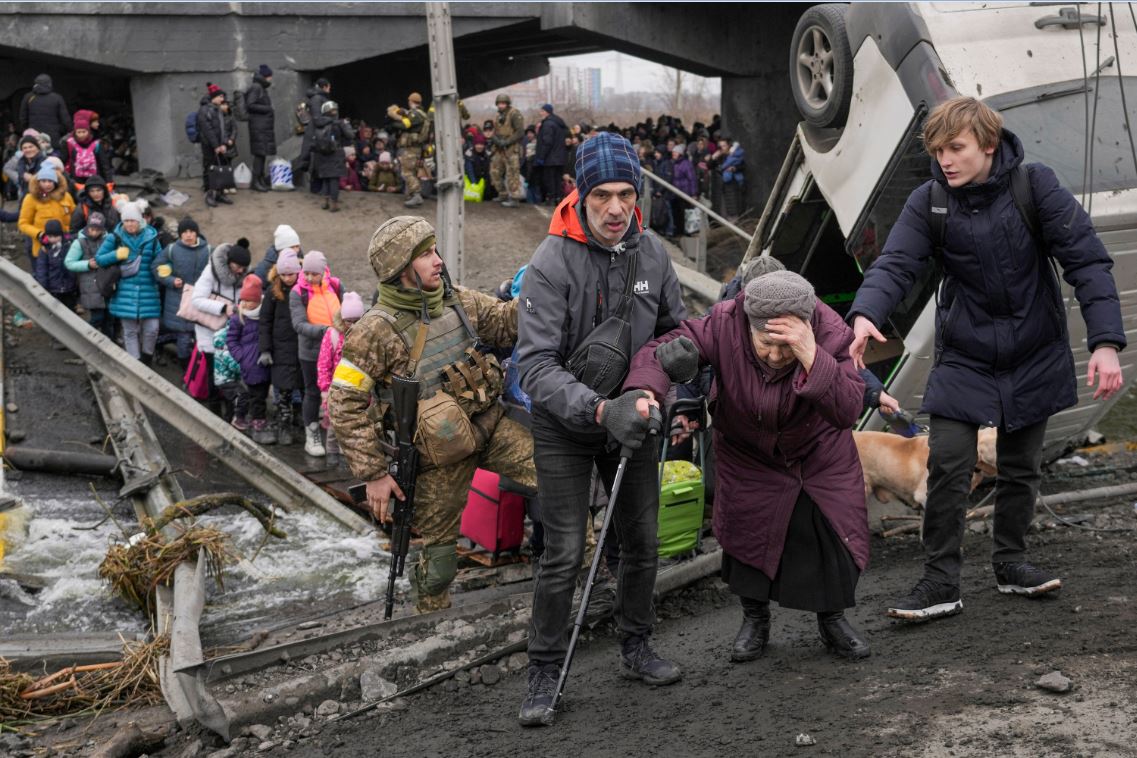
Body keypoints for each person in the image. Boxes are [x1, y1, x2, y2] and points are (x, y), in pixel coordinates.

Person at [846, 96, 1126, 623]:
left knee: (1019, 466)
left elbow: (1086, 260)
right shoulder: (929, 201)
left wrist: (1105, 342)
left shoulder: (1035, 186)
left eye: (956, 148)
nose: (945, 160)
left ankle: (1012, 562)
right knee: (948, 461)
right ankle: (939, 581)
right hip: (966, 355)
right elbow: (897, 262)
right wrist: (865, 314)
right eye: (937, 150)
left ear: (989, 145)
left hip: (1034, 349)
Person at [513, 132, 687, 727]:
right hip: (565, 425)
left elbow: (673, 330)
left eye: (626, 193)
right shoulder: (550, 262)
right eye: (602, 196)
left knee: (642, 544)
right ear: (580, 196)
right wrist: (597, 409)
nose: (616, 208)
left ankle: (636, 646)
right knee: (562, 553)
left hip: (634, 419)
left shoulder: (655, 254)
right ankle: (543, 670)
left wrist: (678, 371)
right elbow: (533, 368)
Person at [628, 270, 871, 665]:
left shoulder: (830, 331)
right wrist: (647, 387)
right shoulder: (725, 322)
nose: (775, 357)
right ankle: (755, 619)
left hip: (817, 453)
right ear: (748, 325)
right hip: (747, 451)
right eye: (766, 345)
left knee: (829, 537)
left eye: (786, 348)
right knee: (747, 536)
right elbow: (662, 348)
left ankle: (833, 620)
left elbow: (847, 410)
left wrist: (812, 355)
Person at [328, 216, 535, 613]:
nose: (437, 260)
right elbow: (344, 403)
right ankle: (430, 625)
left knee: (562, 480)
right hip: (437, 460)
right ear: (400, 268)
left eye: (435, 250)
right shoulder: (374, 331)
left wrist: (543, 288)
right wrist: (373, 474)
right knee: (439, 564)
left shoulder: (458, 300)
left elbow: (507, 324)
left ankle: (583, 584)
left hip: (490, 426)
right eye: (425, 254)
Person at [94, 203, 162, 363]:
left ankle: (147, 358)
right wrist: (116, 254)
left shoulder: (151, 238)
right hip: (124, 290)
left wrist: (165, 269)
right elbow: (99, 259)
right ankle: (135, 364)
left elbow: (160, 260)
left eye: (133, 220)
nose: (129, 224)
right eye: (126, 221)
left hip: (148, 290)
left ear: (140, 220)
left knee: (152, 329)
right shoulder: (115, 237)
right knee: (130, 331)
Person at [289, 250, 341, 456]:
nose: (309, 278)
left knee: (338, 392)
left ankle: (336, 435)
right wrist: (326, 331)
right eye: (306, 273)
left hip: (336, 351)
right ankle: (312, 435)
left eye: (314, 273)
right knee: (312, 392)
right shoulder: (298, 293)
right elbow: (299, 324)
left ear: (323, 271)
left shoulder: (336, 286)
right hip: (310, 352)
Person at [191, 240, 251, 399]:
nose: (240, 271)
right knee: (213, 372)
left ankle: (228, 409)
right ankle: (214, 409)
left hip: (229, 333)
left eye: (243, 268)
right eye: (237, 267)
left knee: (227, 373)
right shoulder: (211, 272)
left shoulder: (243, 276)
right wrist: (224, 308)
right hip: (209, 330)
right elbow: (196, 300)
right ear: (229, 262)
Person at [258, 248, 303, 445]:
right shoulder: (273, 292)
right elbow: (265, 321)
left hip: (301, 345)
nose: (287, 278)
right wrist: (265, 349)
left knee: (302, 387)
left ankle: (300, 419)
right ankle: (284, 424)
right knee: (283, 390)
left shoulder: (304, 290)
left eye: (290, 274)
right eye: (283, 274)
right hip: (280, 347)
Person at [153, 216, 211, 365]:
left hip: (200, 299)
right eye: (185, 232)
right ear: (180, 234)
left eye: (192, 231)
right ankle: (186, 367)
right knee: (184, 336)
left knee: (199, 335)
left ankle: (197, 367)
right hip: (178, 300)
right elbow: (155, 267)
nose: (189, 235)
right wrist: (171, 281)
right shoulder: (172, 249)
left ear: (197, 233)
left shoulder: (208, 250)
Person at [316, 290, 364, 463]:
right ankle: (332, 451)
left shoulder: (365, 335)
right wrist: (324, 388)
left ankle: (347, 451)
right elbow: (323, 364)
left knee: (353, 421)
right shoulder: (333, 334)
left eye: (356, 321)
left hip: (357, 387)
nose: (351, 325)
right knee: (333, 423)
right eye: (348, 321)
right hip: (335, 388)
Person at [227, 274, 274, 441]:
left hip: (264, 362)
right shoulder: (238, 318)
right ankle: (258, 422)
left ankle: (241, 417)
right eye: (243, 300)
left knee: (257, 393)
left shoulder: (265, 315)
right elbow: (231, 340)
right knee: (256, 395)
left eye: (250, 300)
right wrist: (242, 357)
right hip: (249, 363)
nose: (246, 304)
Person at [64, 211, 115, 340]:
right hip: (90, 285)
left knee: (109, 318)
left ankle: (109, 343)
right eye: (92, 229)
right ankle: (84, 340)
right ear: (87, 227)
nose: (94, 232)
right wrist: (87, 264)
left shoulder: (109, 240)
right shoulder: (79, 242)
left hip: (107, 284)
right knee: (97, 317)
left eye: (98, 230)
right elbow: (69, 263)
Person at [303, 101, 353, 213]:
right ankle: (334, 204)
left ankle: (325, 202)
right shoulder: (339, 123)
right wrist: (346, 125)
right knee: (334, 179)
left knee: (325, 178)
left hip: (321, 155)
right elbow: (350, 135)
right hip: (335, 153)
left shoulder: (318, 123)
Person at [19, 163, 73, 260]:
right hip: (43, 249)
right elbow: (23, 223)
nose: (47, 184)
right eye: (43, 181)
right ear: (38, 182)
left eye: (50, 181)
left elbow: (75, 217)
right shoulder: (30, 198)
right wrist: (40, 234)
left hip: (66, 248)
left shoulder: (66, 196)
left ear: (56, 182)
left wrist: (70, 233)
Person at [198, 84, 236, 208]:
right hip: (209, 146)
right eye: (220, 97)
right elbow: (207, 130)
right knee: (211, 169)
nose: (222, 99)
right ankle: (210, 195)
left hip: (219, 146)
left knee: (221, 168)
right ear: (213, 97)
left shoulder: (217, 109)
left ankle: (219, 193)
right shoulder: (204, 110)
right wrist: (216, 145)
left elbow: (222, 129)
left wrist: (224, 144)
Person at [389, 92, 429, 208]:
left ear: (411, 101)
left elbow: (404, 125)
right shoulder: (422, 114)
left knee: (406, 172)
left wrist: (394, 121)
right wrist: (405, 113)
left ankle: (416, 195)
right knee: (412, 172)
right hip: (417, 148)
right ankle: (411, 195)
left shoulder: (415, 114)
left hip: (412, 148)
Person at [61, 111, 112, 191]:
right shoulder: (69, 143)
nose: (81, 135)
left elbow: (104, 164)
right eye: (79, 132)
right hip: (76, 179)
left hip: (95, 179)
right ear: (75, 132)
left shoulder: (97, 143)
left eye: (84, 132)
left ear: (88, 131)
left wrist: (109, 181)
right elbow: (64, 161)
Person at [33, 219, 77, 311]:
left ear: (61, 234)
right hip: (53, 289)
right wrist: (44, 288)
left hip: (69, 287)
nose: (53, 239)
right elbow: (42, 270)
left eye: (56, 236)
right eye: (50, 236)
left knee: (70, 310)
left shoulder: (69, 245)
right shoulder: (45, 250)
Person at [489, 93, 524, 207]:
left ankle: (514, 198)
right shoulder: (498, 116)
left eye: (503, 103)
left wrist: (507, 142)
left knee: (512, 173)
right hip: (499, 148)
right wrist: (495, 139)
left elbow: (520, 132)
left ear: (507, 104)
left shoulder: (514, 114)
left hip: (511, 148)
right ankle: (502, 193)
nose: (501, 105)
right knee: (494, 171)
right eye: (499, 103)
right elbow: (494, 131)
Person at [245, 64, 276, 193]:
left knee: (262, 154)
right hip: (258, 127)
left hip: (262, 126)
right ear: (265, 76)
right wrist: (268, 109)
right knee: (259, 154)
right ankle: (255, 182)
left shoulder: (261, 87)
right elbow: (250, 104)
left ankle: (260, 180)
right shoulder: (256, 87)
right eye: (270, 77)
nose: (271, 79)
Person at [19, 74, 70, 147]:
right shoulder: (57, 98)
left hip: (33, 135)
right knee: (52, 155)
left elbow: (23, 118)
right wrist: (64, 130)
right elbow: (65, 119)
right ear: (50, 84)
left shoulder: (28, 97)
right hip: (53, 135)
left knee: (34, 154)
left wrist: (27, 129)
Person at [535, 104, 567, 207]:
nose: (540, 113)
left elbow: (547, 142)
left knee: (550, 179)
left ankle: (552, 199)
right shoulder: (559, 123)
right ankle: (558, 198)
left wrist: (541, 157)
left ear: (546, 112)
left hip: (550, 158)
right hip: (560, 157)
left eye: (542, 111)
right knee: (558, 179)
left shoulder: (548, 124)